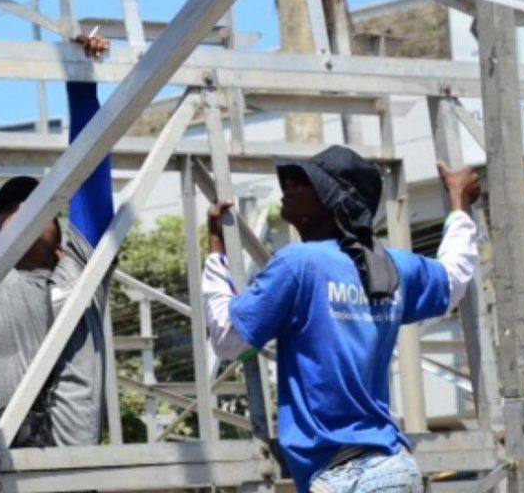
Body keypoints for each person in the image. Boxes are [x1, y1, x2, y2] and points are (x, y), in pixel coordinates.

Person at [201, 147, 480, 493]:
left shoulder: (298, 265)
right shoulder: (391, 267)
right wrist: (460, 206)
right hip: (391, 467)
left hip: (339, 476)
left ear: (332, 200)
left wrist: (216, 251)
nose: (287, 185)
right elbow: (453, 281)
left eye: (301, 181)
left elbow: (228, 340)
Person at [0, 27, 114, 448]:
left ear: (61, 233)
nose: (25, 212)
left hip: (72, 470)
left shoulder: (82, 262)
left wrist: (81, 76)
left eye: (39, 207)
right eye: (11, 209)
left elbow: (90, 165)